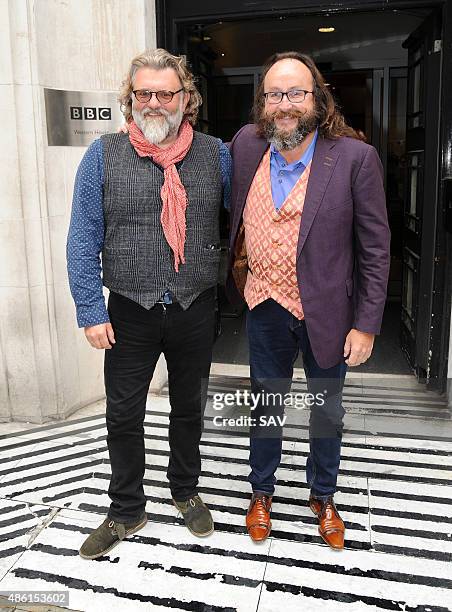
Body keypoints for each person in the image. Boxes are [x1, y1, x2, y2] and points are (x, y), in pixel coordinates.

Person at [67, 48, 231, 559]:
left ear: (187, 99)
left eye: (166, 93)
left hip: (194, 306)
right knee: (123, 415)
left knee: (188, 410)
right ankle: (125, 509)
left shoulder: (215, 154)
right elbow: (82, 237)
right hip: (129, 312)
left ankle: (184, 489)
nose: (154, 102)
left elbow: (249, 216)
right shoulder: (103, 154)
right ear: (130, 98)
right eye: (144, 93)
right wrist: (91, 309)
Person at [226, 52, 390, 550]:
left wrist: (365, 324)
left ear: (317, 98)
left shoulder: (355, 158)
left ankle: (323, 494)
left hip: (328, 312)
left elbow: (375, 247)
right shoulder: (246, 145)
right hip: (264, 304)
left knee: (326, 410)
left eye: (296, 93)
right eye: (274, 94)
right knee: (265, 405)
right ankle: (262, 491)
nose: (284, 105)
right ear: (264, 102)